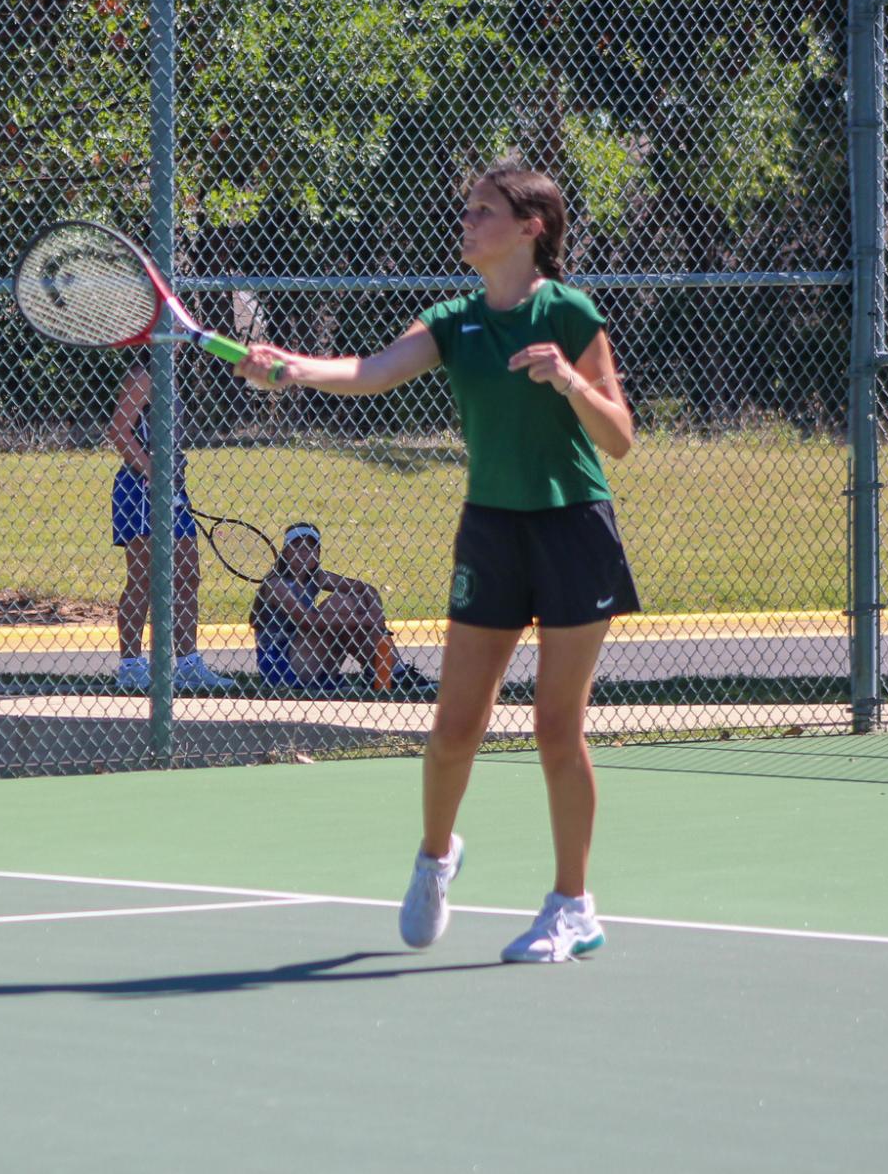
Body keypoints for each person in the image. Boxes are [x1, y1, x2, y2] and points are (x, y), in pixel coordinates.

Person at [234, 162, 639, 964]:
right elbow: (370, 372)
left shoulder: (567, 311)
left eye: (483, 211)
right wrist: (292, 367)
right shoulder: (453, 321)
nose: (467, 221)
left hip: (572, 528)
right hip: (490, 530)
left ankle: (573, 906)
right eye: (467, 209)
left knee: (557, 730)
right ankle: (434, 857)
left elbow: (619, 437)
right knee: (455, 727)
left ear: (531, 229)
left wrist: (566, 381)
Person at [108, 353, 233, 690]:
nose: (182, 322)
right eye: (173, 316)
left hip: (173, 491)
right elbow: (119, 431)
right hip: (140, 489)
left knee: (188, 574)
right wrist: (154, 472)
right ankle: (131, 667)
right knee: (144, 578)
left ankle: (189, 665)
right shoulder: (144, 374)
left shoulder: (168, 373)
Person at [251, 522, 435, 694]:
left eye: (310, 548)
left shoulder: (316, 577)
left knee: (352, 601)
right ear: (286, 552)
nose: (304, 553)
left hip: (308, 657)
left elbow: (365, 590)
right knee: (342, 603)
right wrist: (366, 620)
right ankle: (391, 672)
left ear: (318, 553)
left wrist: (377, 618)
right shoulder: (276, 585)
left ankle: (388, 672)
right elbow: (308, 622)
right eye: (297, 547)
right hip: (282, 666)